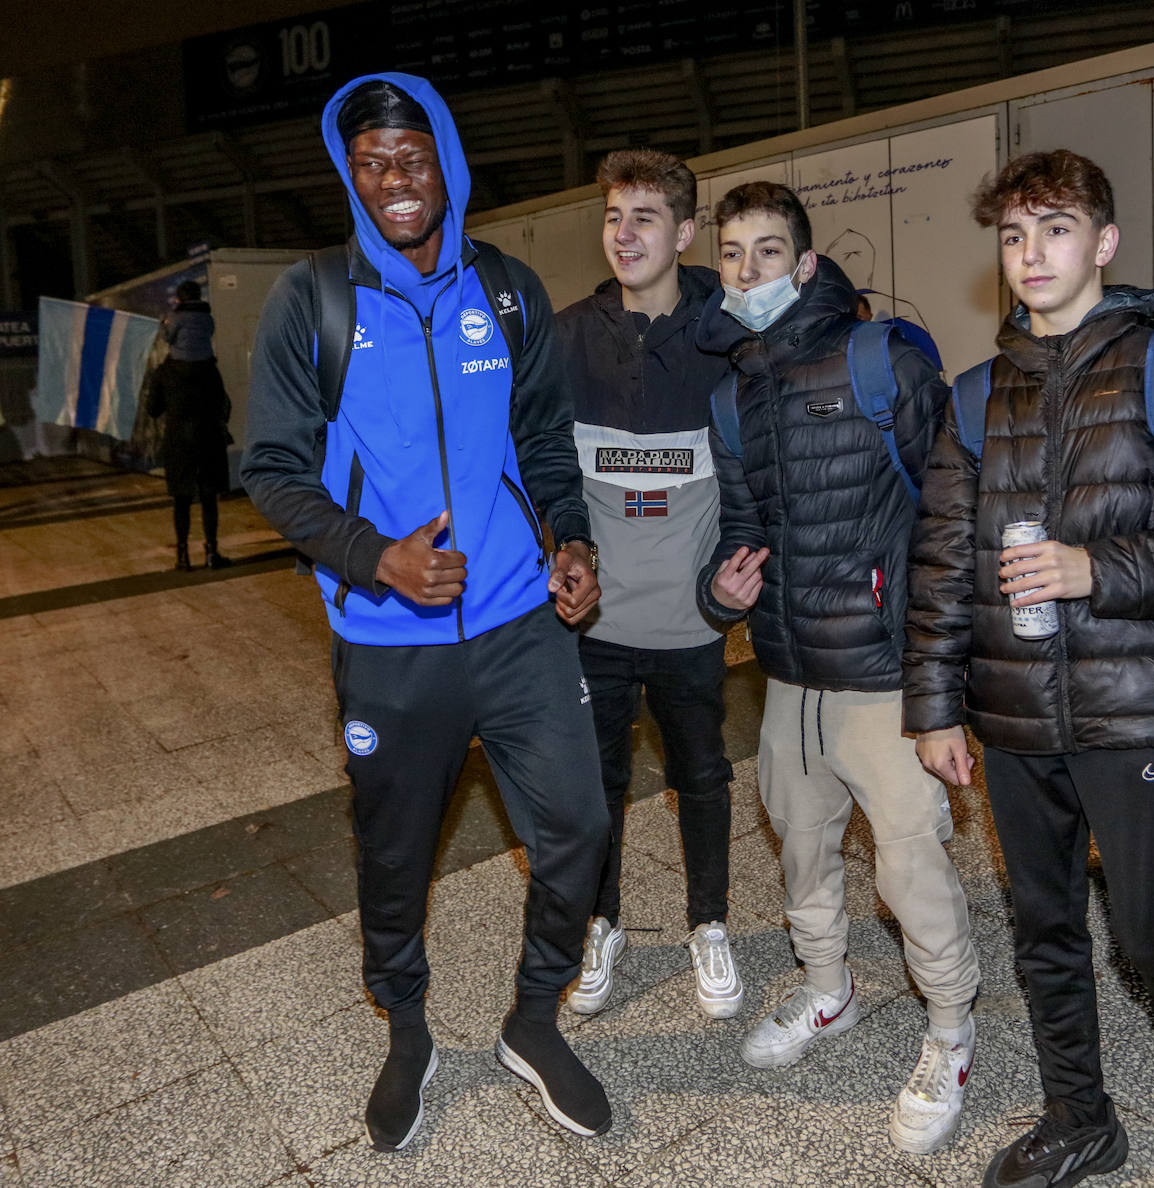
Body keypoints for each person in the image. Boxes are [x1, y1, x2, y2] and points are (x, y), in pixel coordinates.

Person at [905, 149, 1154, 1188]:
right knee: (1043, 932)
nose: (1032, 254)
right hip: (1013, 716)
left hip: (1142, 711)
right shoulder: (973, 395)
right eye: (1014, 235)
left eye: (1057, 229)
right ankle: (1081, 1116)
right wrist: (937, 707)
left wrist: (1097, 569)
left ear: (1105, 244)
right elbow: (941, 560)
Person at [240, 73, 614, 1149]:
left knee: (580, 825)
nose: (395, 179)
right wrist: (375, 559)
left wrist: (571, 541)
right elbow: (272, 469)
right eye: (371, 161)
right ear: (349, 176)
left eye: (411, 155)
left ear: (446, 160)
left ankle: (534, 1022)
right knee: (394, 857)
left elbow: (543, 441)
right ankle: (408, 1030)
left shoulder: (505, 292)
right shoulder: (316, 301)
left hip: (516, 623)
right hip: (387, 643)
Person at [695, 181, 982, 1155]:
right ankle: (829, 992)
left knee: (910, 870)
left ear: (806, 264)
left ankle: (950, 1031)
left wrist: (944, 680)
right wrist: (717, 596)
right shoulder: (734, 397)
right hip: (789, 678)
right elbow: (739, 534)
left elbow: (953, 515)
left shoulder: (882, 361)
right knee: (803, 847)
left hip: (887, 679)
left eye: (767, 253)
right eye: (732, 254)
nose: (747, 272)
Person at [556, 150, 741, 1019]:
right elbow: (546, 466)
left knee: (701, 775)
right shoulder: (566, 337)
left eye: (645, 219)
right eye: (613, 218)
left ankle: (709, 924)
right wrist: (567, 546)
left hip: (692, 622)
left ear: (686, 231)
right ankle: (602, 923)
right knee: (597, 782)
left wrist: (724, 588)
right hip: (595, 624)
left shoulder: (726, 335)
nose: (624, 236)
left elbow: (747, 475)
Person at [148, 279, 232, 570]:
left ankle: (183, 556)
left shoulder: (165, 372)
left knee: (181, 500)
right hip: (209, 441)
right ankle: (212, 553)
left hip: (178, 443)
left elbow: (152, 409)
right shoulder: (211, 369)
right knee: (209, 499)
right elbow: (224, 404)